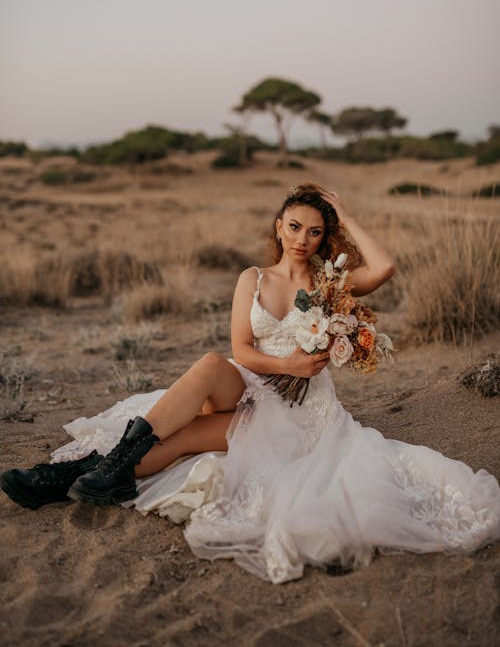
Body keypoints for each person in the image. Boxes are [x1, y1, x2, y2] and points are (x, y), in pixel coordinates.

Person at [1, 183, 499, 584]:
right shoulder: (253, 278)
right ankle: (103, 474)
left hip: (298, 413)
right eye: (295, 227)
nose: (303, 238)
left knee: (185, 438)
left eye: (316, 232)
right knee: (210, 364)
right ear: (279, 227)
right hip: (252, 381)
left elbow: (386, 267)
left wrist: (344, 217)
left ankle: (60, 483)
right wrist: (288, 367)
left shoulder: (329, 281)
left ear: (325, 239)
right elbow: (242, 351)